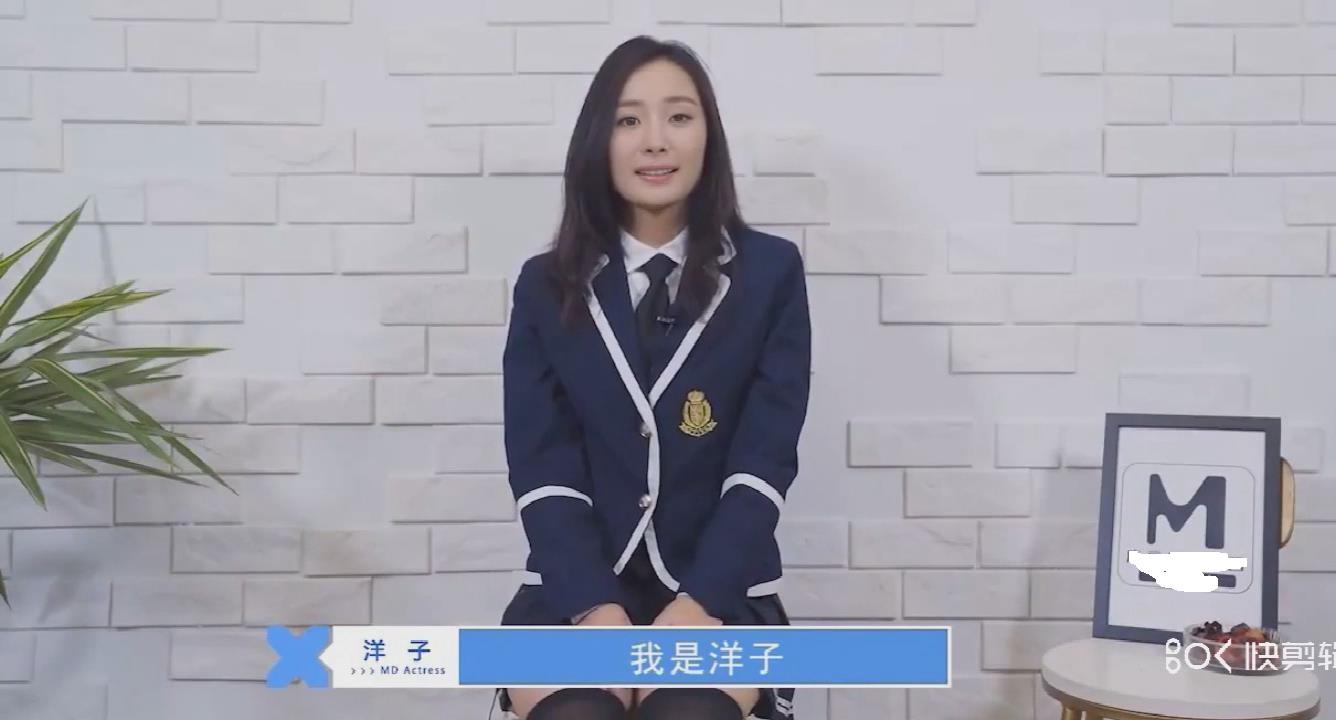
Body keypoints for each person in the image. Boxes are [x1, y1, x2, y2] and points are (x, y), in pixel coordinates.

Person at [493, 35, 811, 720]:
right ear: (598, 142)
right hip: (572, 591)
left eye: (679, 116)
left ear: (708, 136)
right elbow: (542, 466)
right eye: (629, 119)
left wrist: (700, 603)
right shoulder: (544, 285)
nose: (655, 141)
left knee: (686, 710)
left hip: (721, 591)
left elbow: (763, 462)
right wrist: (595, 608)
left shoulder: (771, 274)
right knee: (578, 709)